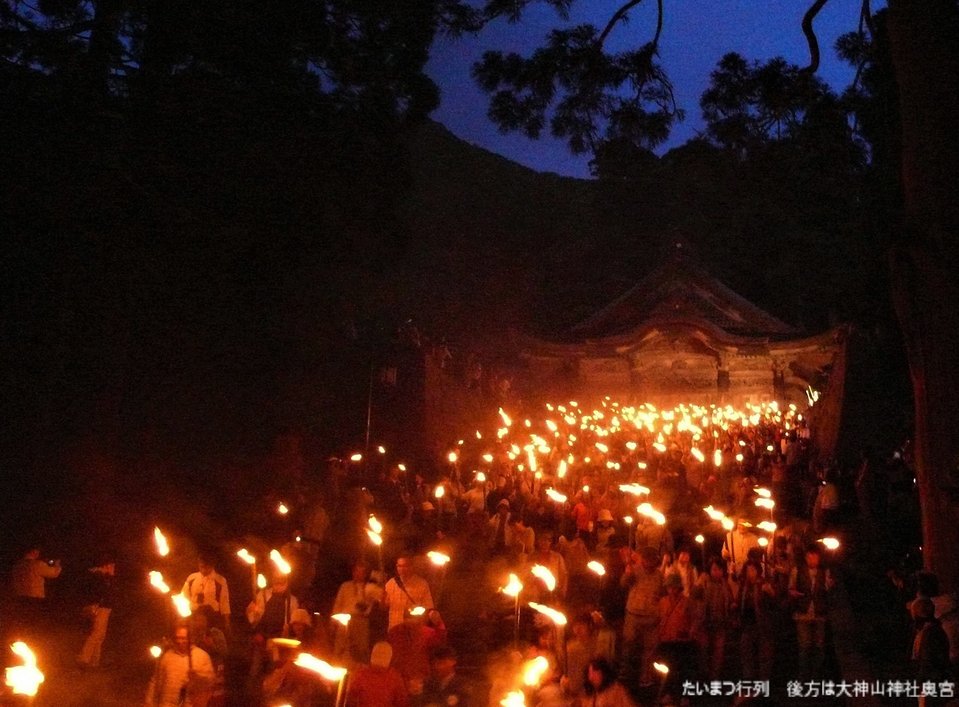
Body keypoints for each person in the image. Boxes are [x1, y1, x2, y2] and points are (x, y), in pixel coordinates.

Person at [788, 545, 834, 679]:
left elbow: (828, 589)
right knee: (804, 645)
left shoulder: (824, 572)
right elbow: (790, 588)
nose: (812, 560)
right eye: (809, 557)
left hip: (819, 613)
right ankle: (803, 675)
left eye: (815, 557)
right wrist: (794, 593)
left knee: (819, 645)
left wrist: (830, 585)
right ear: (806, 557)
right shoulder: (797, 570)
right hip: (802, 613)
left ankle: (816, 674)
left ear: (819, 558)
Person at [620, 546, 664, 688]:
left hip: (651, 616)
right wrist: (627, 574)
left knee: (650, 649)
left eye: (652, 560)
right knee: (629, 645)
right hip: (634, 613)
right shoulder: (634, 570)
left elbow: (662, 592)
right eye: (647, 559)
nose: (649, 563)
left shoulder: (658, 575)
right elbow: (623, 583)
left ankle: (646, 677)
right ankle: (625, 673)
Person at [144, 623, 216, 707]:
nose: (179, 641)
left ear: (190, 638)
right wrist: (149, 701)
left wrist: (197, 677)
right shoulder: (167, 656)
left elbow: (210, 682)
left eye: (183, 638)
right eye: (177, 638)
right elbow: (156, 681)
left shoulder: (201, 656)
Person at [247, 573, 300, 678]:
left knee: (275, 670)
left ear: (286, 583)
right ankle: (253, 690)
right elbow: (253, 617)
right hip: (262, 637)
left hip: (280, 640)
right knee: (256, 669)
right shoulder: (263, 595)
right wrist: (254, 614)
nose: (279, 585)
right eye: (277, 582)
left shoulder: (292, 600)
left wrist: (288, 632)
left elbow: (293, 620)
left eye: (281, 582)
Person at [332, 559, 382, 664]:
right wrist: (334, 621)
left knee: (360, 651)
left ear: (365, 573)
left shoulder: (370, 588)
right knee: (342, 648)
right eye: (356, 571)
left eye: (361, 571)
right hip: (345, 621)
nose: (358, 574)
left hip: (361, 622)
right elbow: (338, 604)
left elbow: (382, 598)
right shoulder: (345, 586)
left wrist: (379, 581)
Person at [76, 555, 116, 669]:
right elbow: (100, 591)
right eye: (111, 566)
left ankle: (94, 661)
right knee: (96, 633)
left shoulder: (105, 576)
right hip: (100, 607)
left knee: (100, 635)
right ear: (106, 565)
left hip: (105, 607)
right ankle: (84, 658)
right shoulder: (99, 576)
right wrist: (96, 604)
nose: (113, 568)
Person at [346, 641, 409, 707]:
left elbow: (350, 700)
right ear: (389, 658)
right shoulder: (395, 678)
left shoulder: (360, 675)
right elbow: (402, 702)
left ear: (372, 655)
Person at [181, 555, 231, 633]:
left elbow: (224, 602)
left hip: (212, 617)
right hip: (195, 615)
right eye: (201, 567)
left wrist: (226, 621)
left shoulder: (220, 580)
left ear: (212, 566)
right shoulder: (192, 578)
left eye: (206, 567)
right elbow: (184, 597)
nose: (204, 570)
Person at [383, 554, 434, 631]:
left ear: (411, 567)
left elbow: (428, 607)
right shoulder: (391, 583)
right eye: (399, 566)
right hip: (394, 628)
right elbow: (384, 606)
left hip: (413, 629)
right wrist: (382, 598)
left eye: (405, 566)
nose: (402, 569)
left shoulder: (422, 584)